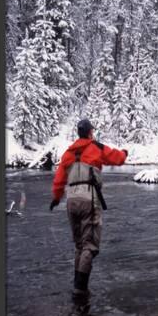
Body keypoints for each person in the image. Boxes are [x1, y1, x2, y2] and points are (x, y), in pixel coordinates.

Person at [50, 119, 128, 296]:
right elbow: (118, 158)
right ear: (90, 132)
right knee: (90, 245)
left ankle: (77, 287)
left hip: (71, 201)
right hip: (89, 198)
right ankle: (80, 289)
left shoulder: (68, 153)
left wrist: (56, 198)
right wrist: (124, 153)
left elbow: (59, 180)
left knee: (79, 245)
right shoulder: (96, 147)